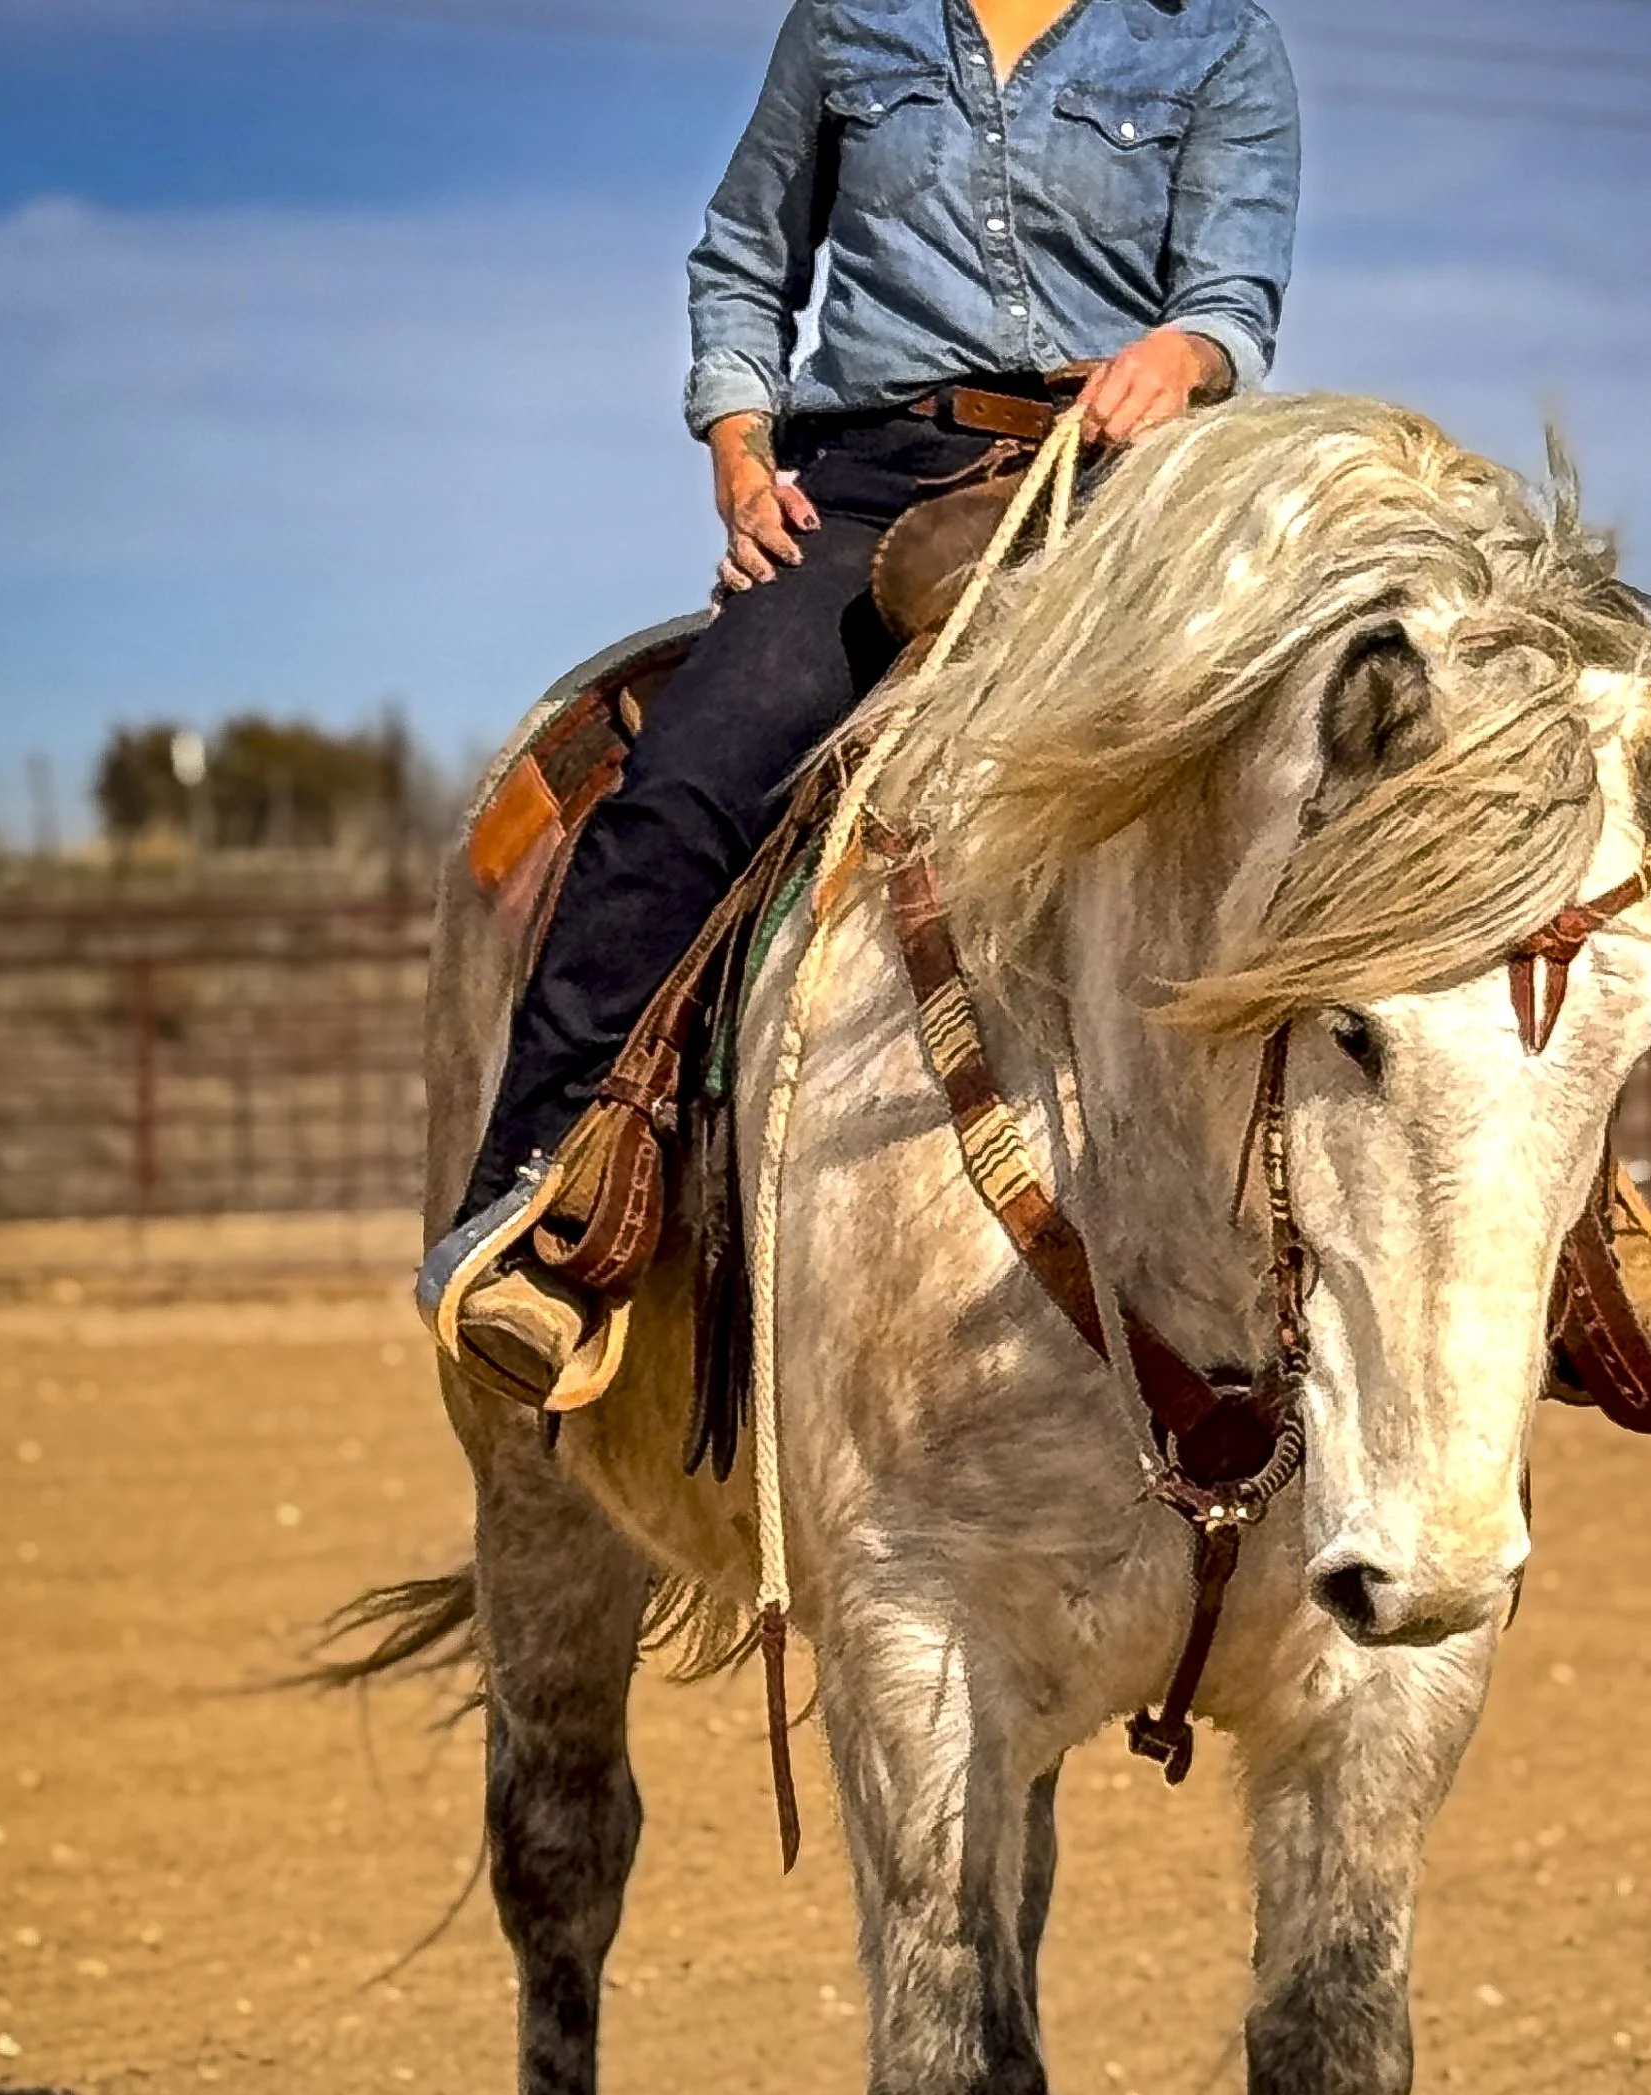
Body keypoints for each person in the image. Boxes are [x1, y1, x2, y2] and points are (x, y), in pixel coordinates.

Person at [424, 0, 1301, 1405]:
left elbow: (1234, 292)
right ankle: (546, 1211)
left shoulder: (1213, 37)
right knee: (686, 786)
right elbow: (742, 253)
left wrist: (1184, 353)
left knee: (1329, 769)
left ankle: (1543, 1233)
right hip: (875, 480)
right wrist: (737, 443)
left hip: (1131, 489)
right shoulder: (848, 22)